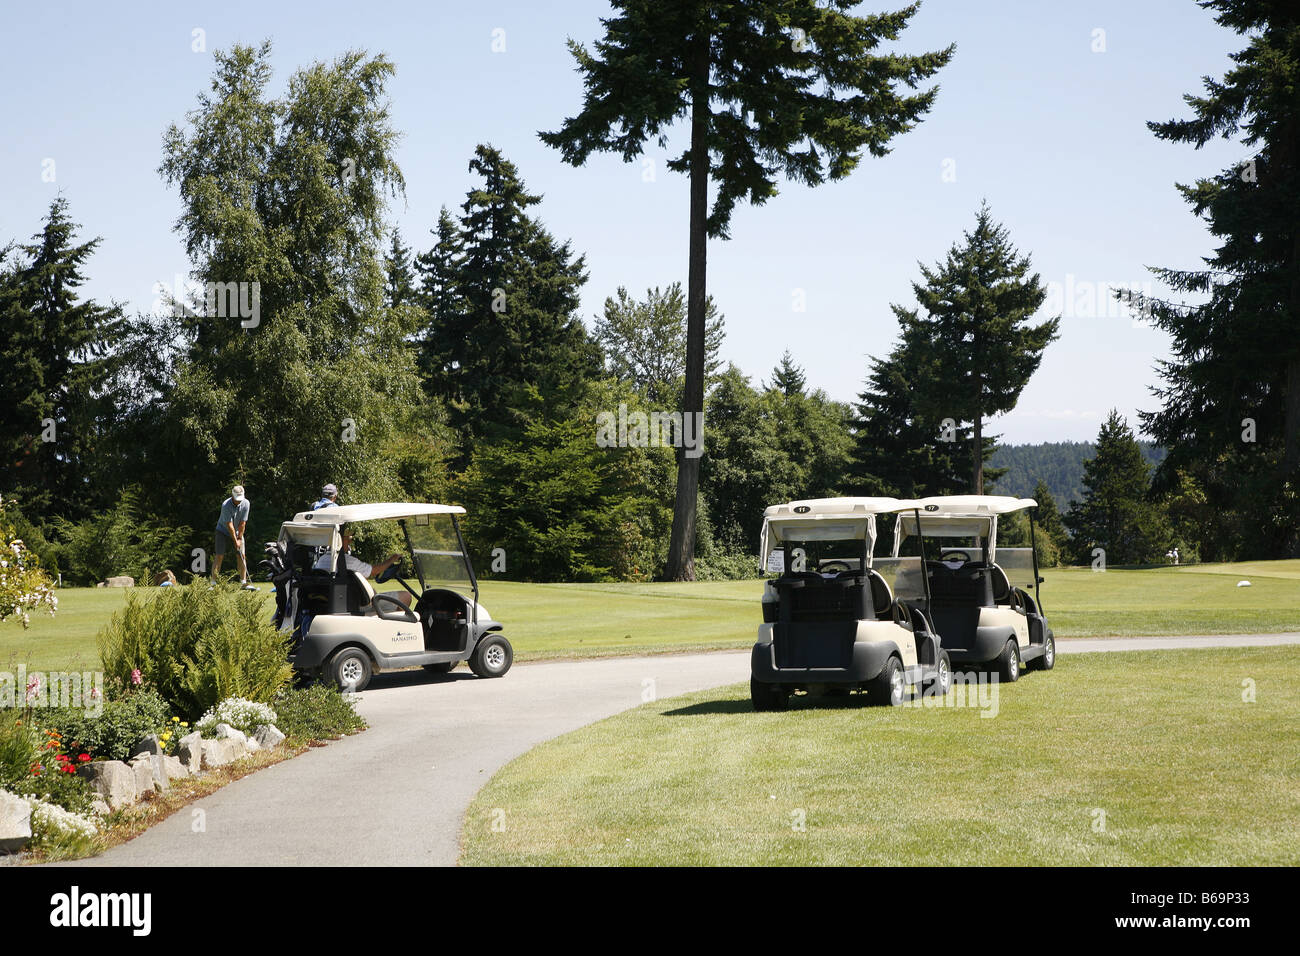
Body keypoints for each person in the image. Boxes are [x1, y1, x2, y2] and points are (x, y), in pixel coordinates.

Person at [315, 525, 411, 606]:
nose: (350, 541)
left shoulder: (321, 560)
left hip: (337, 601)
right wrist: (392, 559)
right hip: (356, 605)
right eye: (348, 539)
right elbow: (373, 571)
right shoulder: (347, 561)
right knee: (406, 596)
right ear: (339, 540)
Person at [213, 485, 256, 589]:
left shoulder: (246, 503)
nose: (238, 502)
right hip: (222, 530)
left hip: (237, 531)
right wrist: (235, 540)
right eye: (237, 499)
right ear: (232, 495)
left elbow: (242, 523)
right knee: (219, 556)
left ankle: (243, 583)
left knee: (241, 555)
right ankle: (213, 584)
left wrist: (240, 539)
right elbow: (229, 525)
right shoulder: (226, 505)